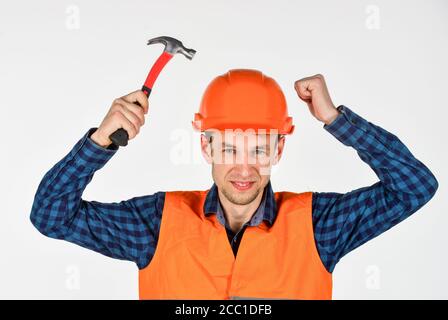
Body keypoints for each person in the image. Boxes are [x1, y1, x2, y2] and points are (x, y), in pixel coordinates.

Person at [30, 69, 438, 299]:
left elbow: (414, 186)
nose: (243, 168)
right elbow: (51, 215)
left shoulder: (319, 225)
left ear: (279, 149)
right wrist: (100, 141)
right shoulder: (155, 223)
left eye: (258, 149)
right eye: (227, 149)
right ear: (205, 147)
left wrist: (336, 120)